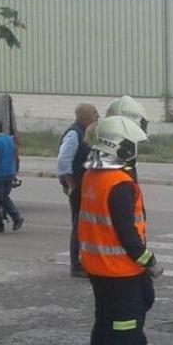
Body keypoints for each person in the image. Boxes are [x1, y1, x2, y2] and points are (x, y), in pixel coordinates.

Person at [79, 115, 165, 345]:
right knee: (124, 327)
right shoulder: (119, 183)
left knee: (104, 325)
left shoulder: (92, 175)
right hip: (120, 270)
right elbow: (127, 235)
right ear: (122, 146)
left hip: (97, 266)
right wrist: (149, 261)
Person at [103, 94, 170, 345]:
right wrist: (145, 258)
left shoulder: (123, 160)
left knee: (142, 299)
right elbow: (117, 219)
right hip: (117, 255)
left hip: (128, 249)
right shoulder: (109, 163)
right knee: (123, 312)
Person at [56, 103, 100, 276]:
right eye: (94, 113)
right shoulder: (74, 133)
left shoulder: (87, 132)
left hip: (86, 185)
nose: (97, 116)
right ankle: (76, 265)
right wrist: (71, 185)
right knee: (79, 225)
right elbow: (63, 160)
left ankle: (85, 261)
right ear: (83, 116)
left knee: (85, 224)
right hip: (78, 186)